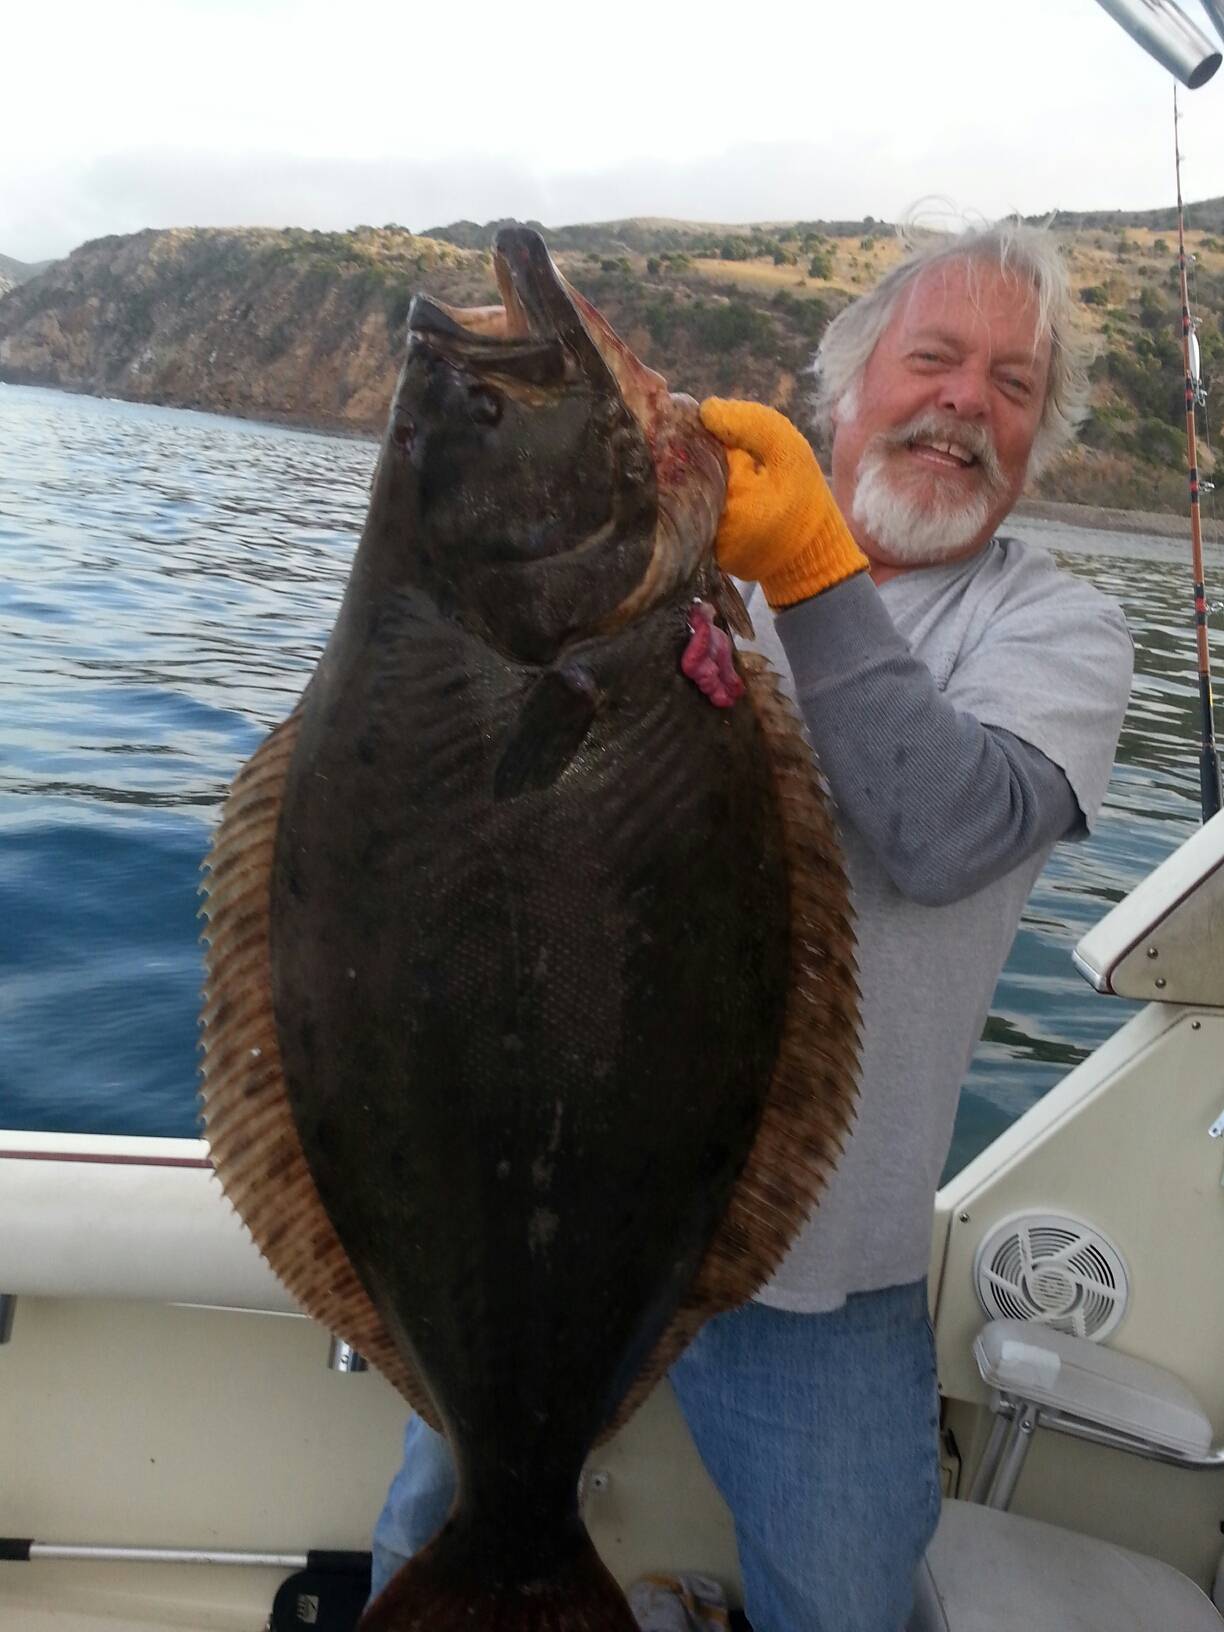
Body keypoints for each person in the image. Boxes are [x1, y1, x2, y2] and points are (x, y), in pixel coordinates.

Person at [368, 222, 1134, 1632]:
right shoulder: (664, 574)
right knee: (439, 1537)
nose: (968, 402)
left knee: (843, 1608)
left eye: (1015, 385)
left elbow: (941, 831)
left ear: (1042, 438)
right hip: (537, 1222)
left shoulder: (1062, 631)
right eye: (935, 360)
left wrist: (813, 573)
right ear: (843, 389)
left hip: (828, 1277)